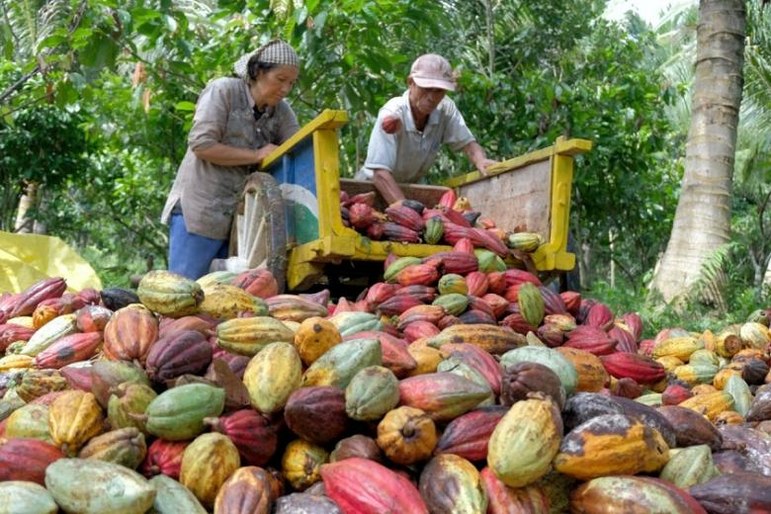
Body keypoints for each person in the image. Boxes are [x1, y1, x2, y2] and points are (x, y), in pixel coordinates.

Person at [160, 39, 300, 280]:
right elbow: (201, 144)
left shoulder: (282, 111)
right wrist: (256, 155)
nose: (286, 89)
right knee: (183, 288)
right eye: (280, 79)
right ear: (258, 72)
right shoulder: (223, 90)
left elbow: (299, 148)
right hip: (200, 212)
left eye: (291, 83)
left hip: (240, 224)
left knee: (224, 295)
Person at [354, 53, 498, 204]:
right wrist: (406, 210)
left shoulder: (445, 109)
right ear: (411, 83)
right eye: (426, 88)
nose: (432, 97)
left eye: (439, 91)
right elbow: (379, 174)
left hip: (405, 191)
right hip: (369, 191)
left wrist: (480, 160)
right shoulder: (392, 114)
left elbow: (468, 144)